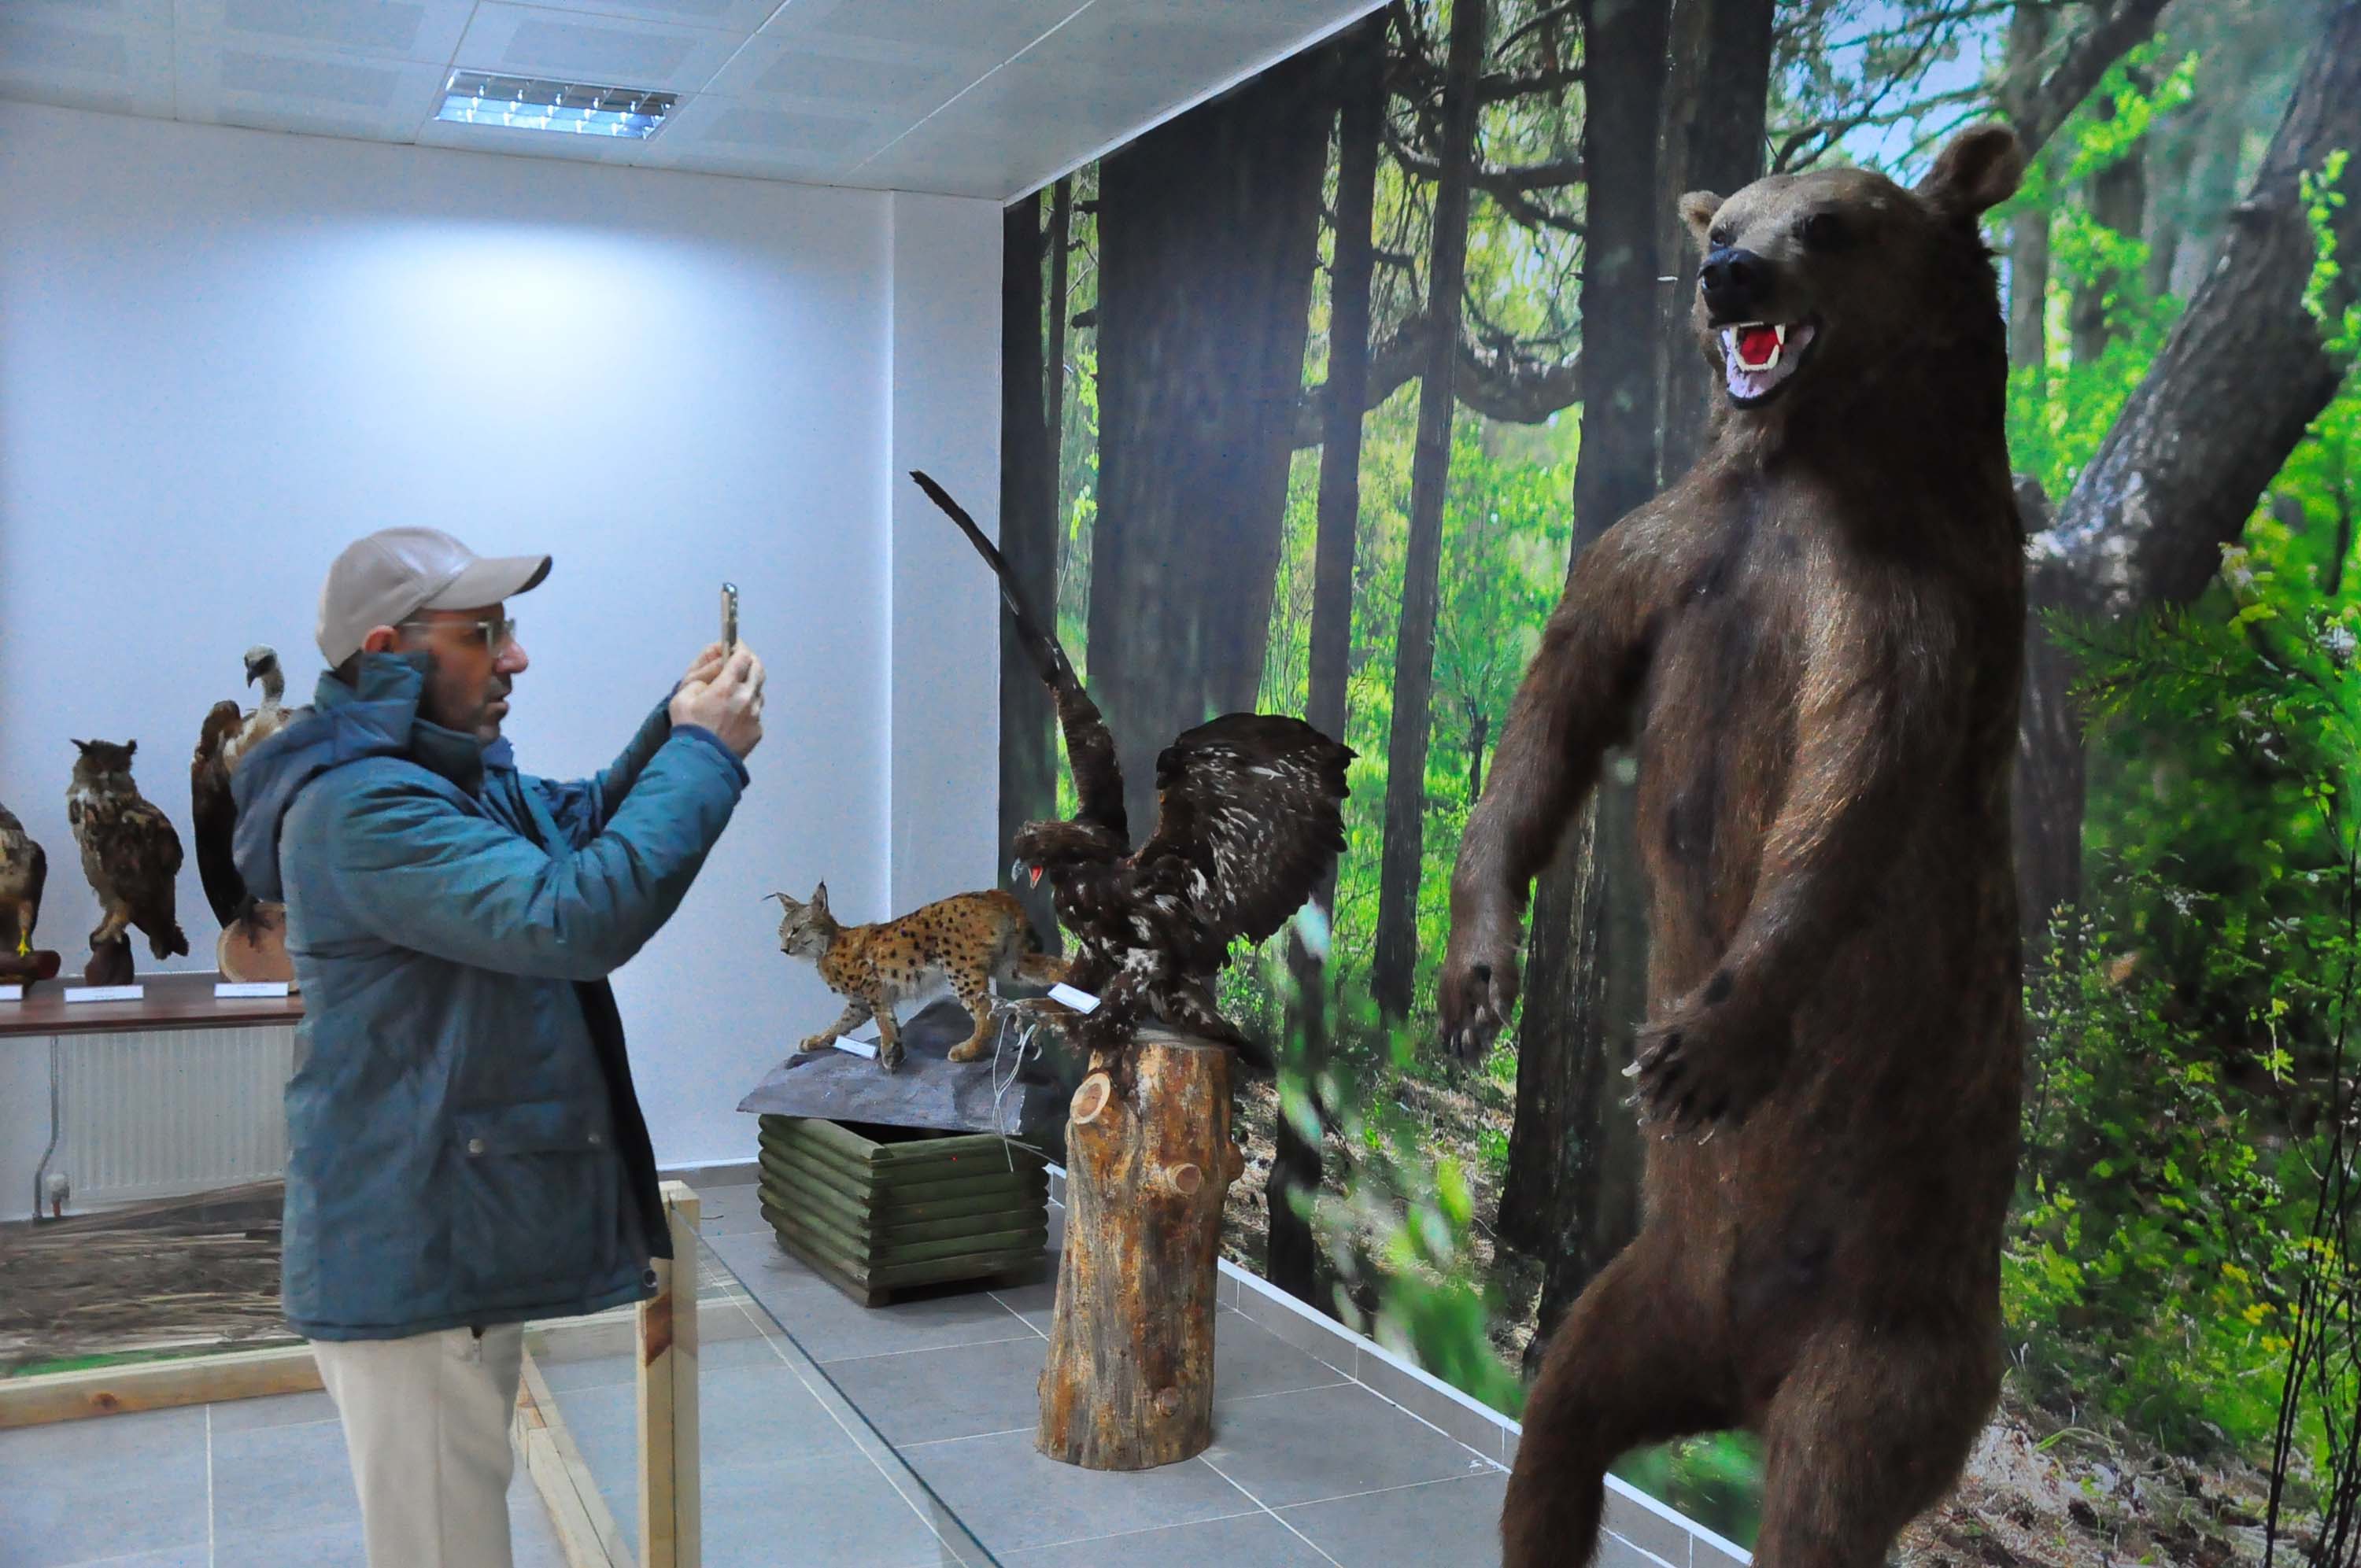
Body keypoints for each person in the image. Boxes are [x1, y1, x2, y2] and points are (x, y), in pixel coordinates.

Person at [231, 526, 765, 1568]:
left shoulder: (440, 777)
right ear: (388, 648)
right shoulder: (361, 807)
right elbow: (575, 913)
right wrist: (703, 750)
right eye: (484, 633)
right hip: (412, 1260)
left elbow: (582, 824)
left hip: (445, 1242)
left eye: (507, 628)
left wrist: (675, 721)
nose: (514, 655)